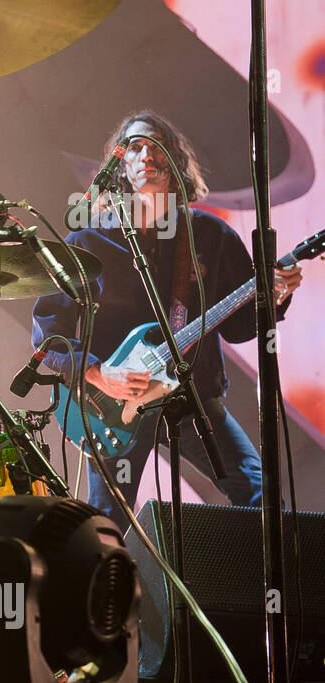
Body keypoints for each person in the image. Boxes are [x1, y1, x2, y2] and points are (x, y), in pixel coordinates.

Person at [31, 110, 303, 531]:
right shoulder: (87, 241)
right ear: (120, 167)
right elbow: (48, 332)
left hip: (190, 400)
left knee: (262, 498)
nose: (147, 155)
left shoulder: (210, 236)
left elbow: (239, 326)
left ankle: (253, 593)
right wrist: (100, 374)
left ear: (176, 163)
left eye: (157, 145)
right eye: (135, 147)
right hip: (114, 408)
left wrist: (277, 294)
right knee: (105, 525)